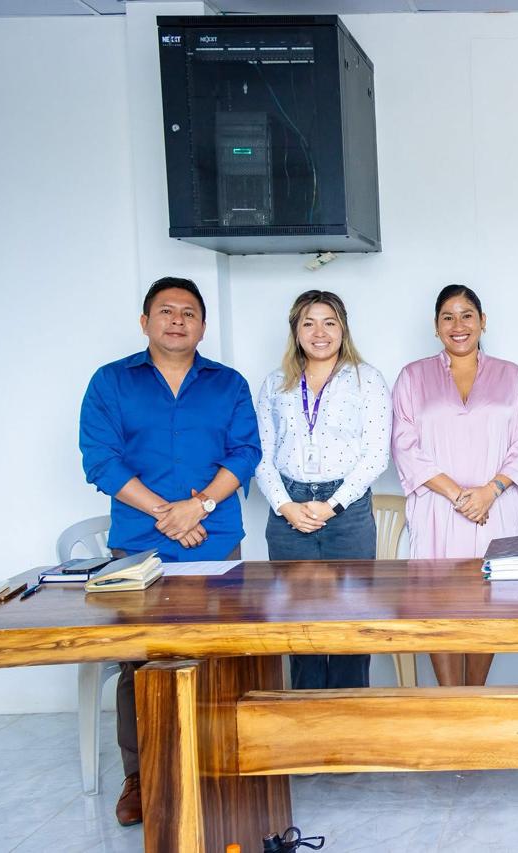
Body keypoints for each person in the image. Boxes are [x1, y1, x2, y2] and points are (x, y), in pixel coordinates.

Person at [80, 276, 260, 827]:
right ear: (145, 322)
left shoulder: (228, 384)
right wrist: (168, 513)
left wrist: (198, 507)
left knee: (221, 653)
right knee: (140, 660)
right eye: (166, 311)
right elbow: (101, 460)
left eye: (188, 312)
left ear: (203, 326)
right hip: (139, 545)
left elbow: (245, 452)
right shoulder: (111, 382)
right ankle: (142, 776)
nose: (177, 320)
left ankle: (218, 760)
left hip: (216, 541)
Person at [393, 285, 518, 686]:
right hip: (438, 508)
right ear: (436, 326)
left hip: (494, 509)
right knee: (437, 604)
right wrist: (458, 495)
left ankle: (476, 696)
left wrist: (490, 491)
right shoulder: (413, 377)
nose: (458, 325)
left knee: (489, 602)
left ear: (482, 321)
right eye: (448, 317)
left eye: (467, 315)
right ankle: (448, 698)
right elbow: (404, 445)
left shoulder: (511, 376)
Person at [254, 289, 391, 691]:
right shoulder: (275, 383)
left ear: (343, 329)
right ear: (295, 331)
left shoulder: (367, 379)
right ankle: (306, 714)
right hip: (288, 511)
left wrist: (332, 505)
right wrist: (285, 506)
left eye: (329, 323)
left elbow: (376, 455)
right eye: (309, 323)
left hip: (347, 513)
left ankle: (349, 714)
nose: (320, 333)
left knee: (352, 623)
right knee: (299, 625)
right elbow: (260, 454)